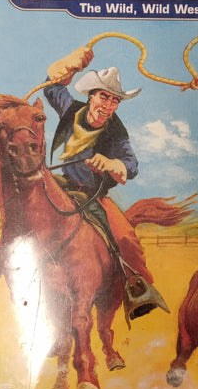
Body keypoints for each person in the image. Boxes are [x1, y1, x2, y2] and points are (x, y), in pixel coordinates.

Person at [43, 46, 153, 284]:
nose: (109, 105)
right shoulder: (71, 110)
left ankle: (139, 290)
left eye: (115, 100)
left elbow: (131, 165)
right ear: (91, 96)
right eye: (104, 97)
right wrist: (71, 63)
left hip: (95, 196)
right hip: (62, 184)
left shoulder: (116, 130)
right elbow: (51, 87)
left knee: (126, 240)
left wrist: (111, 163)